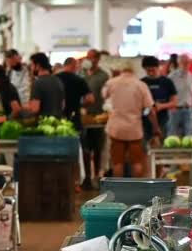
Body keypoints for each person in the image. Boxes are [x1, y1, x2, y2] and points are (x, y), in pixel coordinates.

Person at [103, 60, 162, 178]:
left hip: (116, 128)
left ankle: (118, 191)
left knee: (117, 163)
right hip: (134, 129)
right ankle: (137, 190)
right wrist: (156, 127)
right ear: (133, 70)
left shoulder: (111, 83)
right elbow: (150, 110)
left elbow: (104, 95)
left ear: (120, 70)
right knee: (137, 162)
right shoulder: (141, 85)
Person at [82, 50, 110, 190]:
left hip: (98, 117)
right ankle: (87, 177)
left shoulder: (104, 76)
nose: (88, 60)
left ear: (97, 59)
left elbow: (107, 96)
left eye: (91, 57)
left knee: (98, 148)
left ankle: (97, 176)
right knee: (85, 149)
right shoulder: (81, 74)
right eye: (87, 57)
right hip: (83, 117)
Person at [141, 56, 178, 139]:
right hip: (145, 120)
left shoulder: (167, 82)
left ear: (158, 67)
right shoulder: (142, 83)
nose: (150, 73)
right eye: (148, 70)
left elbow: (174, 102)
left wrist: (161, 106)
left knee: (162, 144)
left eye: (153, 70)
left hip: (164, 119)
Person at [55, 57, 94, 129]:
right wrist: (81, 105)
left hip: (57, 117)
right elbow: (90, 99)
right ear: (74, 65)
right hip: (74, 116)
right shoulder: (79, 80)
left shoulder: (55, 79)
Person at [28, 53, 64, 117]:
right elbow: (63, 105)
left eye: (32, 65)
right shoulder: (58, 80)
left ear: (38, 65)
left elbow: (35, 109)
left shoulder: (37, 83)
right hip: (58, 122)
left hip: (44, 123)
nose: (31, 68)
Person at [168, 54, 192, 137]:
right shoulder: (172, 76)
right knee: (173, 135)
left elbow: (191, 92)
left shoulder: (191, 75)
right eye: (184, 62)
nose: (186, 64)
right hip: (175, 110)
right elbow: (168, 93)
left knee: (190, 135)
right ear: (179, 63)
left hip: (188, 109)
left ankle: (189, 150)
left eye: (188, 62)